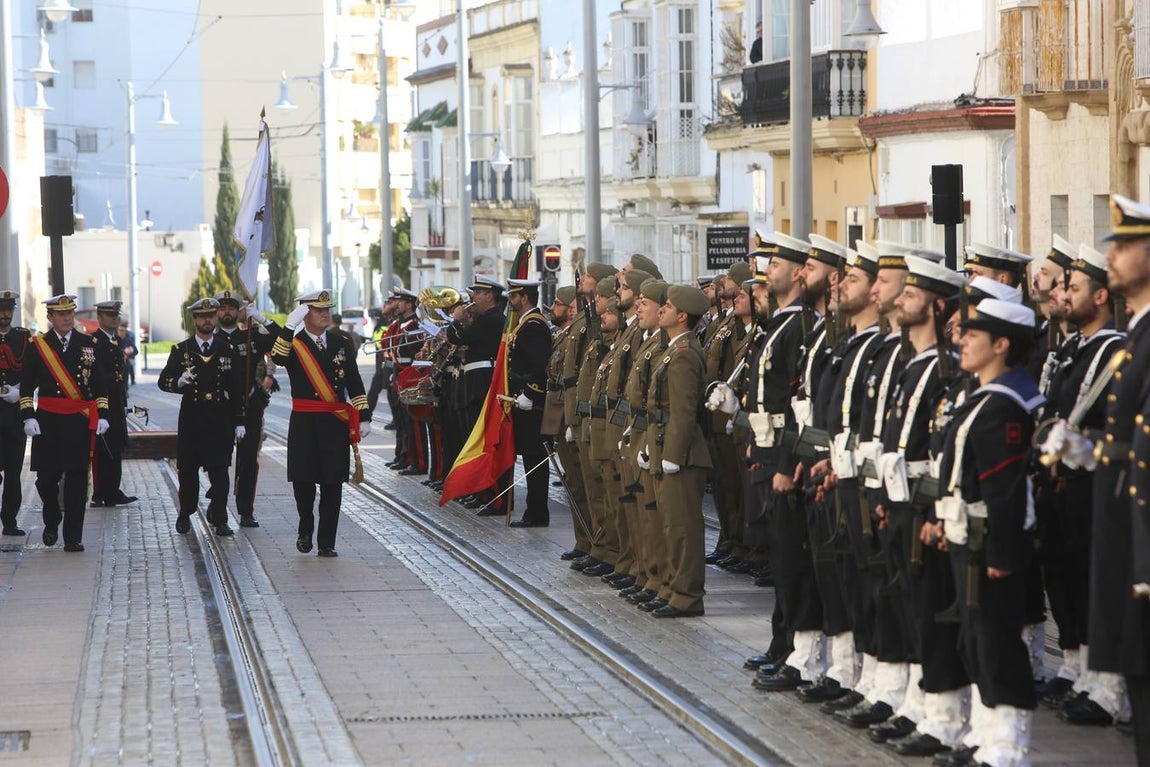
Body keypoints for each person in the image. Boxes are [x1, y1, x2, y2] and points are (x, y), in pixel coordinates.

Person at [932, 298, 1042, 767]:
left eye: (973, 337)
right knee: (974, 640)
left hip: (989, 542)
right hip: (965, 535)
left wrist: (1001, 552)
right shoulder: (981, 398)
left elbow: (1005, 489)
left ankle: (1008, 745)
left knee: (996, 642)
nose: (961, 342)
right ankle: (984, 734)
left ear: (1001, 346)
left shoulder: (1004, 407)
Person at [270, 289, 371, 557]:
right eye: (317, 310)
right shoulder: (294, 342)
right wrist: (289, 326)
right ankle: (306, 526)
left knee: (332, 483)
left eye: (327, 309)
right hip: (304, 422)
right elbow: (277, 358)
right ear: (305, 313)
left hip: (334, 422)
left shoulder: (342, 342)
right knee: (303, 481)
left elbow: (353, 380)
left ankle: (327, 541)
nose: (325, 313)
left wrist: (365, 415)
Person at [640, 284, 713, 617]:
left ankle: (686, 595)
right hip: (664, 444)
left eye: (668, 306)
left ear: (682, 316)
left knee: (682, 527)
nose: (663, 310)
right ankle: (671, 587)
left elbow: (683, 412)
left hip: (682, 453)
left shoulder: (684, 354)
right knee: (669, 524)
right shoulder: (673, 349)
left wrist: (672, 454)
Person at [19, 294, 110, 552]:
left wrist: (102, 415)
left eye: (70, 312)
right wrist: (28, 416)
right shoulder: (38, 346)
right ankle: (51, 514)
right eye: (61, 314)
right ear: (50, 317)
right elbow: (27, 386)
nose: (67, 318)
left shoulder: (88, 344)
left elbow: (99, 384)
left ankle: (73, 537)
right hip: (48, 421)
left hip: (78, 421)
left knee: (77, 480)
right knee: (45, 479)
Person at [158, 298, 245, 537]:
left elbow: (236, 386)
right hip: (192, 419)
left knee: (219, 473)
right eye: (201, 316)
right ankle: (185, 512)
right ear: (194, 320)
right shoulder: (181, 350)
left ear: (216, 317)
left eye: (211, 315)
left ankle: (220, 517)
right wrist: (179, 382)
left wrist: (240, 420)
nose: (207, 320)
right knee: (187, 471)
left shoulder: (227, 348)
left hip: (219, 418)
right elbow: (163, 381)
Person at [216, 291, 283, 528]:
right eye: (222, 308)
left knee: (248, 460)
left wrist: (263, 319)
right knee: (219, 461)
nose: (227, 312)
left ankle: (245, 509)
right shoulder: (210, 339)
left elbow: (283, 341)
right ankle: (218, 508)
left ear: (239, 311)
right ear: (216, 312)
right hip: (221, 409)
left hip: (249, 407)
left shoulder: (251, 337)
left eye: (232, 308)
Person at [504, 278, 553, 527]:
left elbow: (541, 365)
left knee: (535, 458)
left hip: (532, 404)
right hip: (524, 401)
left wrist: (530, 394)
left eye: (513, 296)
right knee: (530, 457)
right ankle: (534, 511)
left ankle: (537, 513)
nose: (509, 301)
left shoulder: (533, 326)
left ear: (524, 298)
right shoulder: (524, 324)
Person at [90, 300, 137, 508]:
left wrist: (123, 401)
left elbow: (120, 375)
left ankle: (113, 490)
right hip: (101, 402)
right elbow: (97, 376)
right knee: (103, 448)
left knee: (116, 445)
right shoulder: (95, 342)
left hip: (116, 400)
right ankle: (100, 492)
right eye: (110, 315)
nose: (114, 319)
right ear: (100, 318)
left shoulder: (117, 341)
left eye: (116, 315)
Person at [0, 290, 30, 537]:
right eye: (1, 309)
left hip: (14, 416)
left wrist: (20, 391)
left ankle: (9, 521)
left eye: (9, 309)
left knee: (13, 473)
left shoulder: (22, 338)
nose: (5, 315)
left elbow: (33, 371)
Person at [119, 322, 138, 390]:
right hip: (117, 364)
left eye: (122, 331)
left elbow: (136, 351)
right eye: (119, 330)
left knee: (125, 378)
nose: (120, 332)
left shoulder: (128, 340)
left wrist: (128, 355)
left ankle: (126, 390)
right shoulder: (115, 340)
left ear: (125, 332)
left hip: (126, 363)